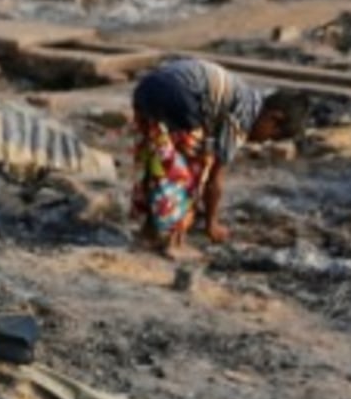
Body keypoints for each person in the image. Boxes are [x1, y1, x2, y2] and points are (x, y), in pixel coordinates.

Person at [128, 57, 307, 257]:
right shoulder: (244, 117)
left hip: (147, 89)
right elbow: (214, 180)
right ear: (274, 117)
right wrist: (212, 224)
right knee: (194, 167)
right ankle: (174, 241)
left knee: (158, 163)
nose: (264, 142)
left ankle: (149, 231)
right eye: (272, 136)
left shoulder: (245, 96)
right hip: (178, 95)